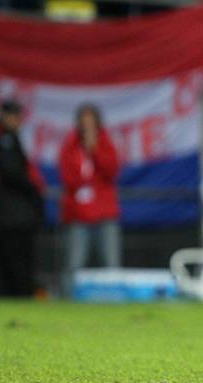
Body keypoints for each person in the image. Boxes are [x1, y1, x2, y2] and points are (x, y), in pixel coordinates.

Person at [0, 100, 44, 297]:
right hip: (8, 212)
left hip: (6, 211)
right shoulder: (1, 138)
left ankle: (8, 295)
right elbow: (11, 172)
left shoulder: (0, 137)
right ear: (4, 116)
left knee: (7, 259)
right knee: (13, 260)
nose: (18, 121)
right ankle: (17, 295)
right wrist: (33, 188)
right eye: (14, 116)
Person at [59, 103, 120, 297]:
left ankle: (113, 297)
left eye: (91, 122)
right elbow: (67, 177)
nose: (87, 126)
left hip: (104, 212)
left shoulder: (105, 143)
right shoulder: (70, 145)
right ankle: (69, 298)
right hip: (79, 213)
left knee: (110, 262)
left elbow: (112, 170)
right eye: (83, 122)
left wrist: (94, 150)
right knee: (74, 262)